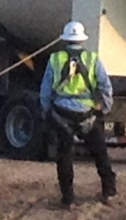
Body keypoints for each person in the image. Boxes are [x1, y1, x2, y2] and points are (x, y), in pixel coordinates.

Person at [39, 21, 116, 208]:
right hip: (86, 115)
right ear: (82, 40)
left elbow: (45, 89)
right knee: (100, 153)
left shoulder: (54, 59)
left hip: (61, 114)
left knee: (64, 156)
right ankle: (109, 192)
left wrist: (46, 110)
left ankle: (68, 199)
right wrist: (104, 108)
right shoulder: (93, 59)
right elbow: (105, 86)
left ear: (65, 39)